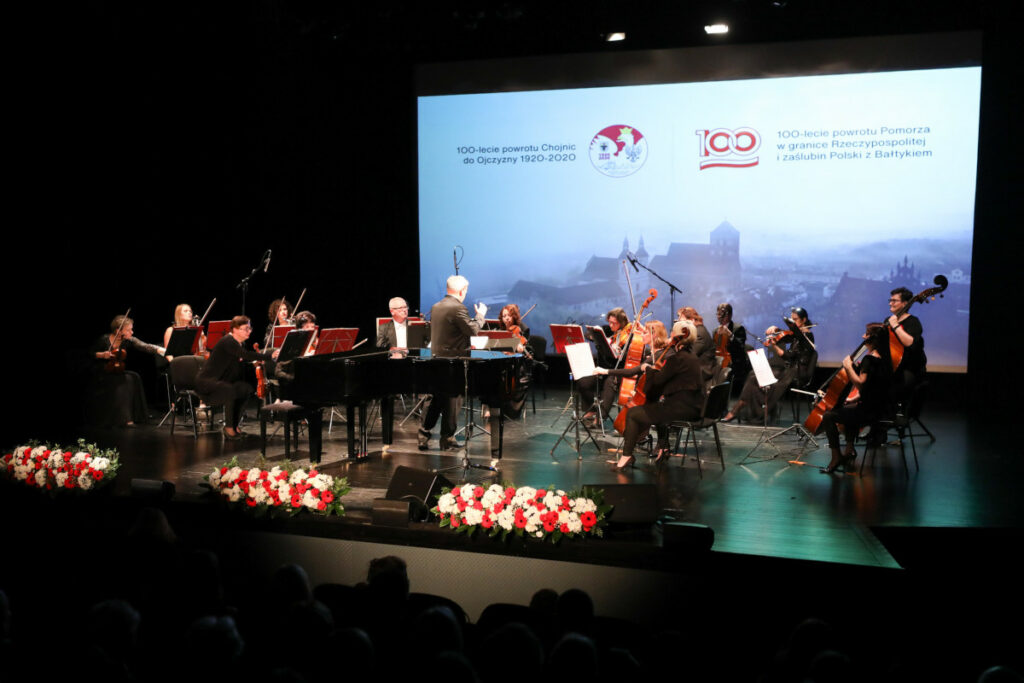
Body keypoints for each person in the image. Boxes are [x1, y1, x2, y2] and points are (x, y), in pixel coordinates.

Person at [611, 319, 704, 471]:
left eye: (673, 332)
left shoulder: (677, 358)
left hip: (683, 409)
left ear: (678, 335)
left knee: (634, 413)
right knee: (657, 407)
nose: (671, 335)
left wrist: (649, 369)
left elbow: (657, 382)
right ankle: (663, 447)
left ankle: (626, 456)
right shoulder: (690, 356)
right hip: (694, 406)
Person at [418, 275, 487, 453]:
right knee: (453, 401)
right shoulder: (458, 308)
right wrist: (480, 315)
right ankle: (447, 439)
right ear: (461, 291)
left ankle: (423, 435)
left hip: (436, 360)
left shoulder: (436, 306)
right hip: (453, 363)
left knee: (436, 400)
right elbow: (472, 330)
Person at [724, 307, 816, 423]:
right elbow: (788, 336)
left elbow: (788, 356)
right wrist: (776, 328)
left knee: (761, 378)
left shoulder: (807, 336)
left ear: (804, 320)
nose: (792, 324)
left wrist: (774, 346)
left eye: (795, 320)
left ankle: (747, 410)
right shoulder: (797, 334)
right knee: (754, 374)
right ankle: (745, 408)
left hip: (796, 372)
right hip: (790, 369)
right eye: (791, 320)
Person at [820, 324, 892, 473]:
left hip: (870, 413)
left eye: (866, 334)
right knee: (850, 409)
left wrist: (848, 367)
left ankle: (836, 457)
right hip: (882, 409)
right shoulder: (886, 359)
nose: (863, 337)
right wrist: (854, 399)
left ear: (873, 339)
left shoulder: (869, 360)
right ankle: (850, 449)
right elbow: (875, 387)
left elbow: (861, 384)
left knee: (828, 416)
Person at [197, 316, 278, 439]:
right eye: (246, 328)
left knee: (246, 389)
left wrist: (253, 364)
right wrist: (268, 356)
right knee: (230, 390)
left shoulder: (240, 344)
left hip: (222, 381)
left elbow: (239, 362)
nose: (249, 331)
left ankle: (235, 425)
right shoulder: (228, 341)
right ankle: (228, 428)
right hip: (206, 382)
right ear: (235, 329)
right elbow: (245, 355)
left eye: (250, 328)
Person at [89, 315, 165, 427]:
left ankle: (132, 417)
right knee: (125, 380)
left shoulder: (128, 340)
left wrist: (160, 350)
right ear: (118, 331)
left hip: (117, 370)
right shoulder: (104, 339)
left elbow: (144, 346)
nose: (132, 332)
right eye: (129, 330)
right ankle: (124, 418)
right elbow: (89, 354)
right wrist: (100, 355)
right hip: (101, 371)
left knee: (134, 377)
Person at [578, 308, 633, 424]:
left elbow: (630, 355)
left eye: (614, 323)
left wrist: (619, 351)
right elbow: (588, 333)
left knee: (609, 383)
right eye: (610, 321)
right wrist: (599, 339)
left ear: (622, 323)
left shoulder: (629, 335)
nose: (611, 325)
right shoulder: (607, 329)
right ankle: (592, 410)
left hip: (617, 371)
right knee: (583, 381)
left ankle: (600, 417)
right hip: (602, 368)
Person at [885, 286, 927, 398]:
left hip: (908, 368)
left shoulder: (913, 321)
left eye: (894, 301)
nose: (890, 303)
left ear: (904, 303)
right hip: (892, 365)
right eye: (890, 300)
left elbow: (910, 343)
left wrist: (895, 325)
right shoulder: (888, 320)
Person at [713, 302, 750, 391]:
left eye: (721, 314)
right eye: (718, 314)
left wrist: (730, 335)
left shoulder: (738, 328)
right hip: (720, 358)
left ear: (729, 315)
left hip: (734, 360)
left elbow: (740, 346)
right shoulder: (715, 330)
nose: (719, 317)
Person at [677, 306, 716, 380]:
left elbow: (690, 356)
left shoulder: (699, 333)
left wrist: (679, 345)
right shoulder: (696, 331)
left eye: (682, 321)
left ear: (691, 320)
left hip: (702, 372)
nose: (680, 324)